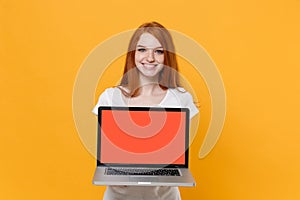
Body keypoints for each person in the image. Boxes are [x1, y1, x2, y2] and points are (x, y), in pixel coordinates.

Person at [92, 21, 199, 200]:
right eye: (142, 49)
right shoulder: (110, 97)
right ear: (133, 54)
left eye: (158, 51)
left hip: (165, 197)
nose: (150, 57)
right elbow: (105, 150)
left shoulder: (181, 99)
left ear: (167, 56)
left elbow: (176, 154)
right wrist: (110, 171)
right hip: (118, 196)